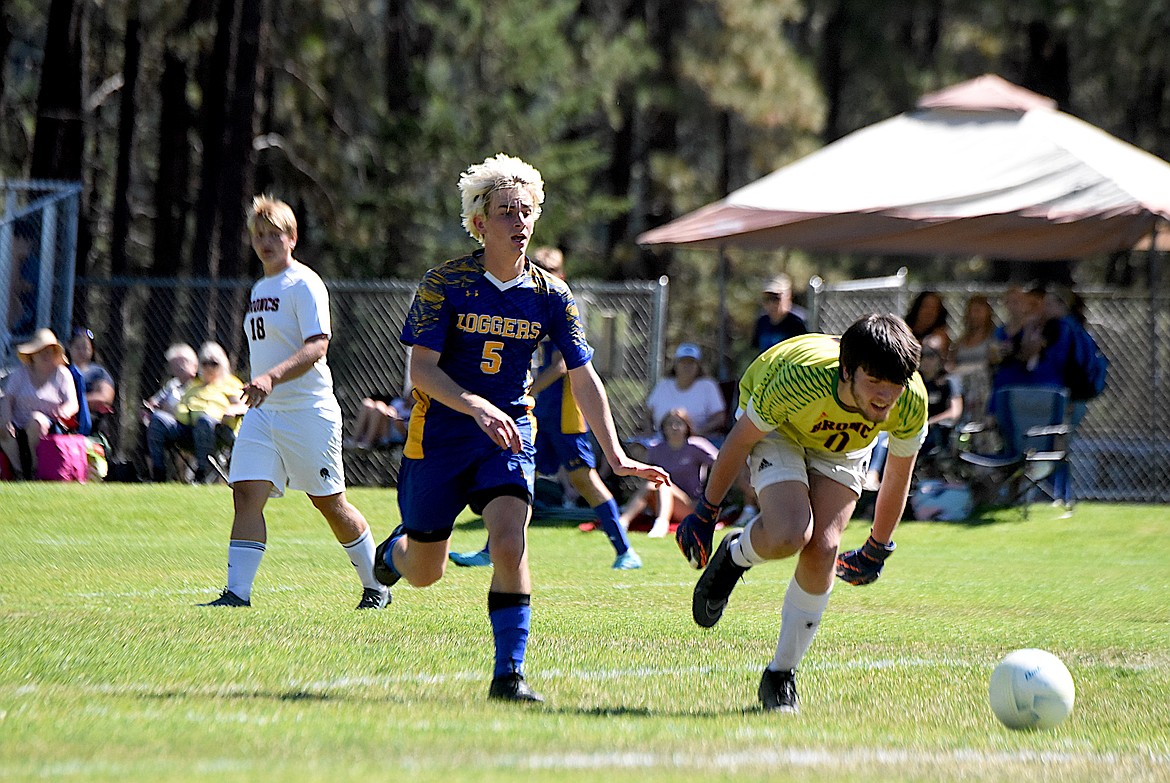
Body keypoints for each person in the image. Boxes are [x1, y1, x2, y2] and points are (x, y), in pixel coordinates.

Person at [372, 153, 670, 703]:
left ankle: (509, 676)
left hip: (510, 434)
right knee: (424, 573)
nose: (521, 221)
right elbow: (421, 371)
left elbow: (585, 377)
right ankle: (392, 554)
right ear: (480, 222)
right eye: (507, 211)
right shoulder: (445, 282)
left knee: (510, 543)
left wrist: (618, 454)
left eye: (527, 211)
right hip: (438, 436)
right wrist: (475, 407)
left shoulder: (552, 295)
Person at [674, 314, 927, 713]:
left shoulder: (909, 398)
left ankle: (781, 674)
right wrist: (706, 511)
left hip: (841, 446)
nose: (885, 395)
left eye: (893, 384)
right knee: (791, 532)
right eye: (874, 381)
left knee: (823, 548)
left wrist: (878, 545)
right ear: (847, 371)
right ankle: (734, 556)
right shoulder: (799, 378)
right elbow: (740, 440)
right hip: (781, 428)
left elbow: (898, 476)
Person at [200, 195, 388, 611]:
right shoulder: (261, 286)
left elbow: (318, 345)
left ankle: (376, 585)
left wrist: (269, 377)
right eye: (259, 235)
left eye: (275, 235)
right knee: (246, 493)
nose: (266, 242)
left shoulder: (305, 283)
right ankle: (237, 594)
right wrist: (256, 385)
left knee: (330, 504)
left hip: (308, 412)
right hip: (264, 412)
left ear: (293, 237)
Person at [449, 246, 644, 570]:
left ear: (562, 275)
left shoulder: (561, 307)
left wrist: (524, 390)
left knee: (584, 480)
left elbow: (561, 367)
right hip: (536, 413)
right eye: (538, 267)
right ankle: (490, 549)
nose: (543, 274)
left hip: (565, 414)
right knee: (516, 476)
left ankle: (626, 551)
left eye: (550, 269)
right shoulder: (524, 306)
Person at [146, 341, 245, 484]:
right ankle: (158, 474)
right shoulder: (194, 384)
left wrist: (232, 410)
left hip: (215, 431)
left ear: (222, 363)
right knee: (158, 419)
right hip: (186, 429)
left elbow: (244, 406)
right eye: (205, 363)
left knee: (203, 421)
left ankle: (201, 474)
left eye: (214, 363)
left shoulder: (230, 383)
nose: (209, 367)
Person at [619, 408, 718, 538]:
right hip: (659, 501)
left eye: (679, 423)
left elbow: (719, 463)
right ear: (663, 428)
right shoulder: (656, 449)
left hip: (689, 504)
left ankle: (661, 524)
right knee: (653, 483)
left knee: (663, 482)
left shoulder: (696, 446)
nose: (674, 427)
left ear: (687, 427)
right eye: (670, 424)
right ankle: (622, 522)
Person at [0, 328, 79, 479]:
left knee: (36, 420)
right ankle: (19, 472)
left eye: (50, 350)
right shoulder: (20, 373)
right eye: (40, 350)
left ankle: (36, 469)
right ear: (32, 355)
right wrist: (6, 418)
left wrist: (64, 411)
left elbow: (73, 403)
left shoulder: (62, 374)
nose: (45, 354)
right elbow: (7, 399)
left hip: (48, 424)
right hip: (17, 423)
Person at [644, 343, 727, 442]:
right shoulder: (663, 385)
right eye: (683, 362)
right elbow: (648, 414)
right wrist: (648, 431)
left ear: (698, 366)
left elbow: (720, 418)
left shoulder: (708, 386)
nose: (687, 366)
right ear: (675, 365)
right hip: (661, 440)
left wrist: (700, 432)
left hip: (695, 441)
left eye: (691, 363)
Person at [948, 294, 997, 423]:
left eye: (979, 311)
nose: (975, 315)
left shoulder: (992, 338)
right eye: (972, 311)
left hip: (981, 386)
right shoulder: (961, 341)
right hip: (960, 387)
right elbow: (952, 361)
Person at [68, 327, 118, 446]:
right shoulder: (62, 371)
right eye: (77, 347)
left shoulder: (99, 372)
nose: (81, 351)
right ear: (70, 348)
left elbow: (105, 398)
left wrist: (75, 402)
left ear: (92, 350)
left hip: (90, 421)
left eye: (85, 347)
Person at [750, 274, 809, 353]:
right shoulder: (762, 322)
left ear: (789, 296)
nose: (771, 304)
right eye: (767, 298)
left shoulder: (800, 322)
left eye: (776, 298)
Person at [143, 343, 199, 422]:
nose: (178, 368)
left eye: (182, 364)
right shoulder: (173, 384)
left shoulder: (200, 383)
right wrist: (151, 407)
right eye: (175, 366)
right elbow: (156, 400)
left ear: (194, 364)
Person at [345, 394, 410, 450]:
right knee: (368, 403)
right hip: (383, 425)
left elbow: (406, 433)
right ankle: (354, 439)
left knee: (379, 409)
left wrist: (396, 419)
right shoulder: (398, 402)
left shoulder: (415, 410)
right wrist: (389, 410)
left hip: (393, 434)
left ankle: (367, 442)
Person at [904, 290, 951, 357]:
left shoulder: (939, 335)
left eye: (934, 308)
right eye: (926, 306)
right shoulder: (905, 331)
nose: (929, 312)